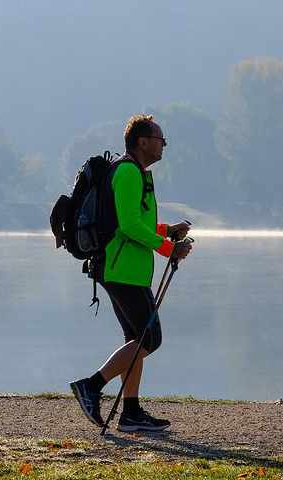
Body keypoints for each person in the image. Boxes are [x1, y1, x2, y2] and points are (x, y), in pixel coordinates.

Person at [70, 114, 193, 432]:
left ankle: (131, 413)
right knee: (150, 339)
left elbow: (137, 222)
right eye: (159, 138)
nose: (163, 144)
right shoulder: (127, 171)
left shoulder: (137, 172)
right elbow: (127, 225)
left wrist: (167, 231)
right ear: (142, 141)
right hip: (121, 269)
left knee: (136, 340)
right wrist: (169, 249)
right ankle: (92, 386)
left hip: (130, 270)